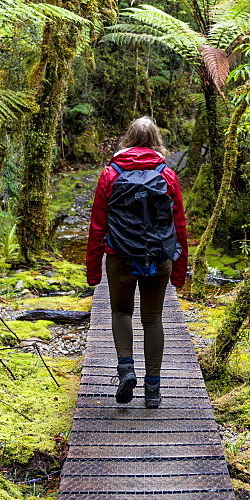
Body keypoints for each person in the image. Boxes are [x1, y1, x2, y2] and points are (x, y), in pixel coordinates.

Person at [85, 117, 188, 408]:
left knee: (120, 312)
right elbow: (179, 225)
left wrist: (93, 271)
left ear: (127, 140)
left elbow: (97, 226)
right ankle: (153, 390)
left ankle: (126, 369)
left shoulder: (110, 174)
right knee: (153, 319)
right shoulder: (167, 175)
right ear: (157, 142)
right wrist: (179, 271)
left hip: (120, 257)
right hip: (159, 258)